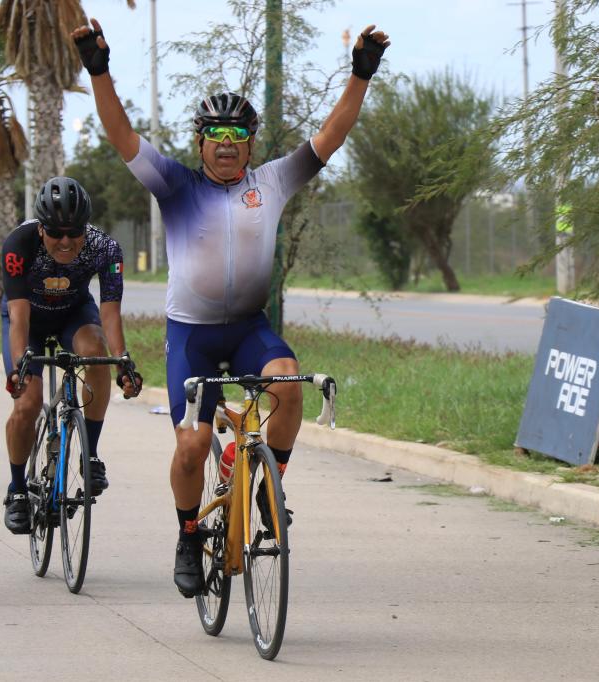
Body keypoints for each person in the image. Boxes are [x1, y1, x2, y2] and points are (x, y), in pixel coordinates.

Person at [73, 18, 390, 596]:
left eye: (236, 135)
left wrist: (360, 75)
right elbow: (120, 133)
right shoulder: (174, 185)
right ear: (200, 144)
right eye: (214, 134)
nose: (224, 143)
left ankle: (271, 490)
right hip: (191, 337)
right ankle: (188, 534)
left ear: (249, 144)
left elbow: (331, 136)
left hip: (248, 329)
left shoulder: (270, 182)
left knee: (289, 385)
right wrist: (99, 69)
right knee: (193, 444)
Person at [0, 176, 142, 534]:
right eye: (55, 233)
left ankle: (90, 454)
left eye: (73, 233)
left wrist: (123, 360)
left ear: (86, 228)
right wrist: (21, 367)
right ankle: (17, 489)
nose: (65, 242)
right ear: (41, 228)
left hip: (74, 314)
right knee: (27, 404)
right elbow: (17, 315)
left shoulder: (104, 248)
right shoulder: (19, 244)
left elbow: (110, 313)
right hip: (28, 318)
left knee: (95, 352)